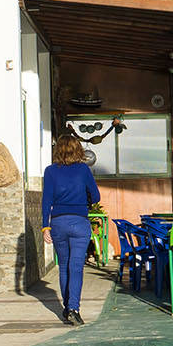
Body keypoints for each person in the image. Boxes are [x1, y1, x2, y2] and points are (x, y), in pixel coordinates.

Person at [42, 134, 101, 325]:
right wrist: (85, 201)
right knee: (76, 267)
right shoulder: (83, 169)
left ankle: (67, 309)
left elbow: (46, 201)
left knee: (64, 267)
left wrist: (45, 226)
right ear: (78, 150)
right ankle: (74, 308)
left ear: (58, 150)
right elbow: (96, 196)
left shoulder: (50, 171)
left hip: (58, 223)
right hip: (79, 223)